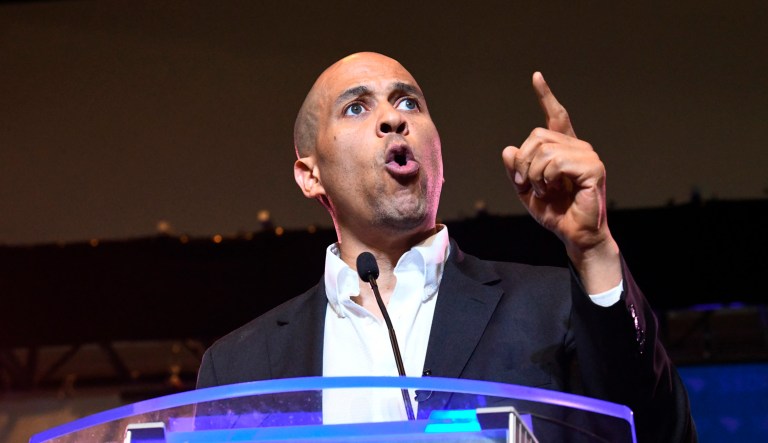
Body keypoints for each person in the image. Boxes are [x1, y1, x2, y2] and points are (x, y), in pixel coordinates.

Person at [197, 52, 696, 442]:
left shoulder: (553, 308)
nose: (394, 119)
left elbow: (655, 433)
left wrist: (593, 249)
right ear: (311, 174)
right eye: (356, 107)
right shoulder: (240, 366)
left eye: (409, 102)